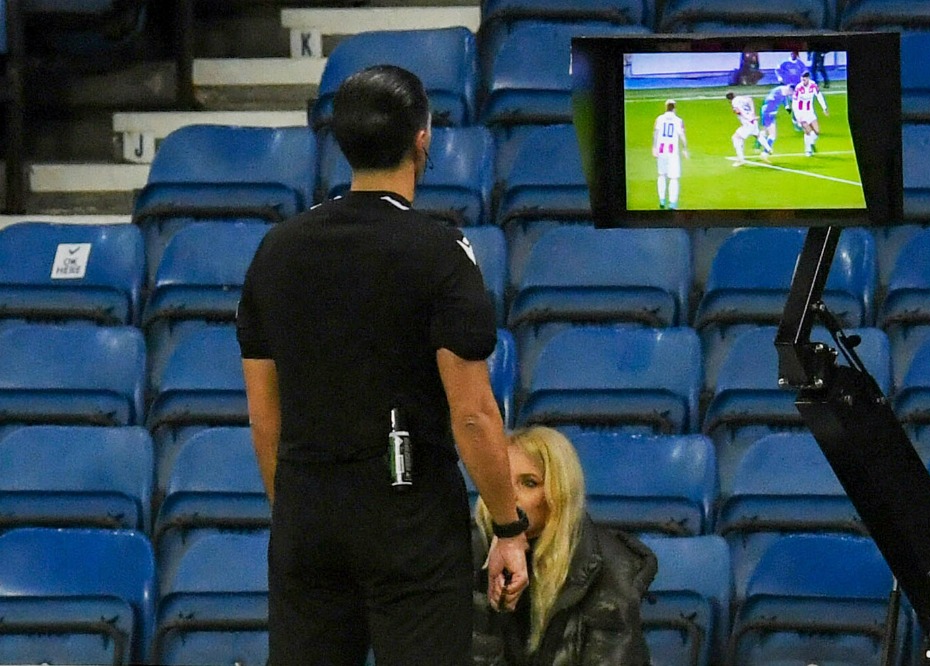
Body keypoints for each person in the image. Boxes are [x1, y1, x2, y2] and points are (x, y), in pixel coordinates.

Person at [236, 64, 530, 666]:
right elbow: (472, 414)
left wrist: (294, 513)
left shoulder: (277, 249)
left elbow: (265, 415)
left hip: (308, 514)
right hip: (410, 519)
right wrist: (507, 528)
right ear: (423, 139)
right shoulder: (441, 253)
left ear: (341, 143)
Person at [472, 426, 658, 665]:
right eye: (502, 482)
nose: (510, 496)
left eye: (529, 483)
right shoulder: (471, 553)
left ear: (558, 493)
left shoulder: (610, 567)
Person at [652, 99, 689, 210]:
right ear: (675, 108)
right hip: (672, 151)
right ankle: (672, 204)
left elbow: (655, 133)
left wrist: (654, 147)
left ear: (666, 107)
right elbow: (682, 136)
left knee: (661, 175)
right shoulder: (678, 120)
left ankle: (662, 200)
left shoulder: (659, 118)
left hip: (661, 150)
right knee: (673, 178)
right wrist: (685, 149)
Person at [726, 91, 772, 166]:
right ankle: (768, 148)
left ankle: (741, 159)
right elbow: (750, 99)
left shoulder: (734, 102)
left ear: (729, 99)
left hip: (748, 122)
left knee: (736, 138)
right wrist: (753, 113)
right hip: (753, 121)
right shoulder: (742, 98)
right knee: (757, 135)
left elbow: (738, 111)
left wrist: (746, 117)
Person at [791, 71, 829, 157]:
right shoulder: (799, 88)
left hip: (810, 112)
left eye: (804, 80)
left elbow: (819, 96)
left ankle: (811, 143)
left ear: (808, 78)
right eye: (802, 79)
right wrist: (797, 116)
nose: (803, 81)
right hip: (801, 113)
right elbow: (794, 102)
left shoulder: (813, 85)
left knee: (817, 132)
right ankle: (808, 150)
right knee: (808, 131)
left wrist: (824, 108)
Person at [758, 84, 792, 157]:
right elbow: (772, 100)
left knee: (765, 131)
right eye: (791, 92)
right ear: (789, 89)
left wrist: (787, 107)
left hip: (767, 112)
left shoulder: (780, 90)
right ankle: (765, 152)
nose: (791, 94)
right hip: (768, 113)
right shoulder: (779, 93)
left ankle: (758, 145)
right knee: (772, 135)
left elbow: (784, 98)